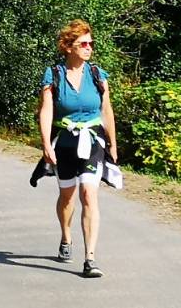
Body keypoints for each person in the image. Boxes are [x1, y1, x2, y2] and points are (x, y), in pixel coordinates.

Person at [36, 19, 117, 278]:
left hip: (92, 141)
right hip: (66, 142)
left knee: (88, 194)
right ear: (68, 46)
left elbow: (106, 110)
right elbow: (46, 109)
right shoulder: (54, 74)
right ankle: (66, 237)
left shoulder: (97, 75)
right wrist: (46, 143)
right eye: (83, 43)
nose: (89, 48)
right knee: (67, 196)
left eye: (91, 43)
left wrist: (113, 145)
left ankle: (90, 259)